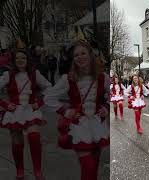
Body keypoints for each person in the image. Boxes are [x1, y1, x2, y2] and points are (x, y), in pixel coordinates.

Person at [44, 40, 109, 180]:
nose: (80, 57)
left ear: (90, 55)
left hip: (98, 125)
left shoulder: (103, 77)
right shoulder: (68, 79)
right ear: (73, 59)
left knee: (94, 168)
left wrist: (106, 107)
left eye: (83, 53)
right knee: (88, 166)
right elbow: (48, 97)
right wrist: (66, 111)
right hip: (79, 126)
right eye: (76, 55)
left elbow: (115, 93)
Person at [0, 48, 51, 180]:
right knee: (17, 141)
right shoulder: (8, 75)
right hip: (14, 112)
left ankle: (38, 172)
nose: (20, 60)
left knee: (34, 136)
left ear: (28, 60)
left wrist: (39, 103)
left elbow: (49, 88)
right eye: (17, 58)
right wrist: (5, 104)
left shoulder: (35, 74)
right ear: (14, 61)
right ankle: (20, 170)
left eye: (23, 58)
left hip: (30, 110)